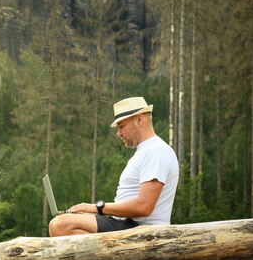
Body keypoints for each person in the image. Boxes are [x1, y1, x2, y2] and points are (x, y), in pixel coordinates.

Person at [49, 96, 179, 236]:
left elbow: (144, 206)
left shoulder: (156, 150)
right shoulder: (147, 151)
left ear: (139, 120)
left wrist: (96, 208)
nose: (119, 133)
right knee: (61, 224)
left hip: (141, 230)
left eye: (122, 126)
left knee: (60, 225)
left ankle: (106, 257)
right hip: (127, 224)